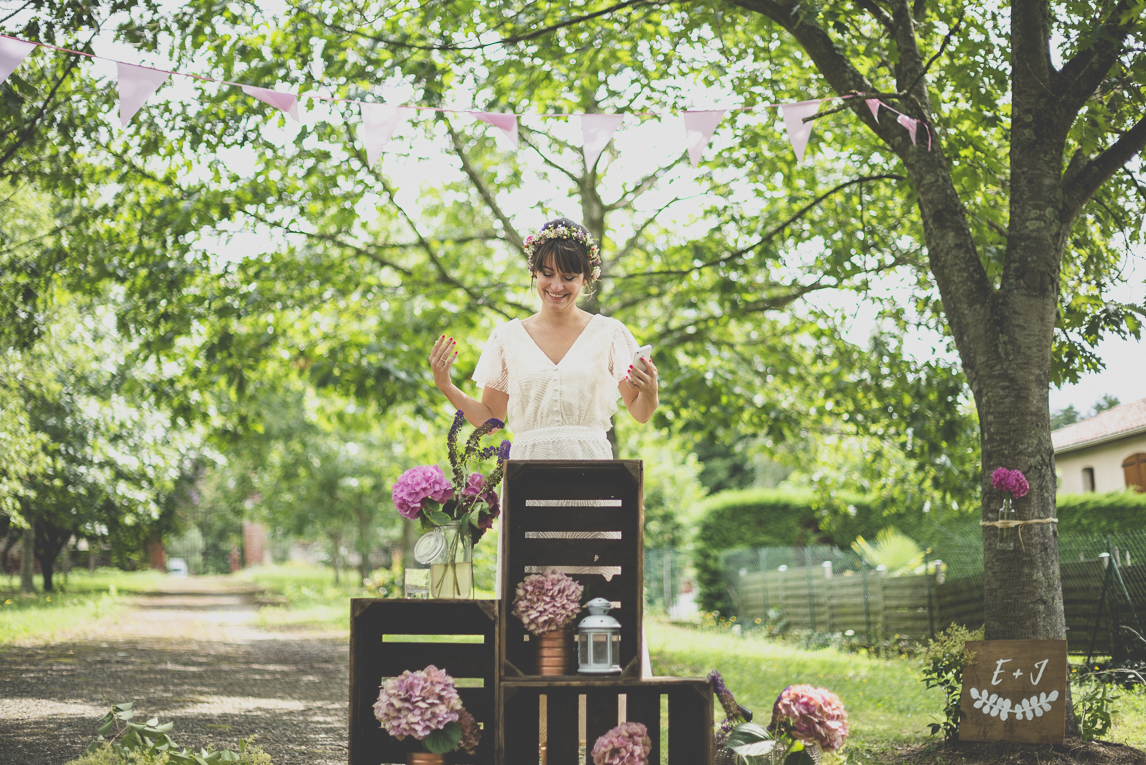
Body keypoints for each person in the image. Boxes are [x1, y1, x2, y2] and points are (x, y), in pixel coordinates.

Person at [428, 217, 659, 454]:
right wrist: (446, 385)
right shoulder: (507, 338)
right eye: (547, 274)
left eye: (568, 277)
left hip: (591, 469)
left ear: (586, 279)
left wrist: (650, 392)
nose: (557, 286)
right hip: (528, 472)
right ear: (535, 272)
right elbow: (491, 422)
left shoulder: (610, 334)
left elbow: (640, 413)